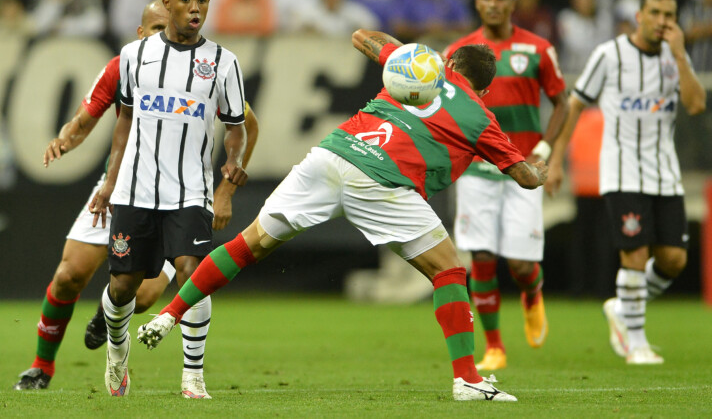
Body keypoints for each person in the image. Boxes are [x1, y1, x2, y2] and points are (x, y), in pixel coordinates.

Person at [137, 28, 551, 403]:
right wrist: (541, 169)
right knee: (448, 271)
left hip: (332, 155)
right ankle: (467, 379)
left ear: (453, 62)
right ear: (487, 87)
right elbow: (526, 178)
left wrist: (407, 53)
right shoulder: (482, 118)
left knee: (249, 244)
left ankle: (171, 313)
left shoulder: (415, 68)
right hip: (382, 180)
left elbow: (359, 37)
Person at [12, 0, 258, 393]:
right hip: (125, 187)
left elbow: (245, 124)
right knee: (69, 274)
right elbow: (88, 117)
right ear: (141, 33)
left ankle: (115, 323)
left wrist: (225, 191)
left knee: (143, 297)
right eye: (158, 29)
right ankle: (42, 366)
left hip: (180, 193)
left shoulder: (208, 66)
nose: (169, 35)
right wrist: (64, 141)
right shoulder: (127, 63)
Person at [88, 0, 249, 397]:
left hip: (190, 190)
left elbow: (236, 126)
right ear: (168, 1)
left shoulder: (223, 62)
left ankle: (192, 376)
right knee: (124, 287)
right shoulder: (134, 56)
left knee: (192, 274)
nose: (195, 7)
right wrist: (109, 182)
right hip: (135, 189)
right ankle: (117, 354)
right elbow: (123, 119)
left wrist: (230, 168)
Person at [546, 0, 706, 364]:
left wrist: (682, 56)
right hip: (622, 171)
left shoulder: (674, 56)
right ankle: (636, 342)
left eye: (669, 15)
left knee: (673, 261)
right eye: (655, 13)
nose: (662, 22)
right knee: (634, 256)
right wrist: (556, 159)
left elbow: (696, 104)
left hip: (665, 173)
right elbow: (576, 103)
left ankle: (622, 306)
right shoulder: (610, 54)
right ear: (640, 15)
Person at [442, 0, 569, 372]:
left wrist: (547, 151)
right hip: (478, 169)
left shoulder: (538, 49)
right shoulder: (458, 52)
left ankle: (532, 292)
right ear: (477, 4)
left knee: (519, 264)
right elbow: (446, 110)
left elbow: (562, 103)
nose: (494, 3)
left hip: (523, 167)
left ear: (514, 4)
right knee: (480, 256)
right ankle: (494, 345)